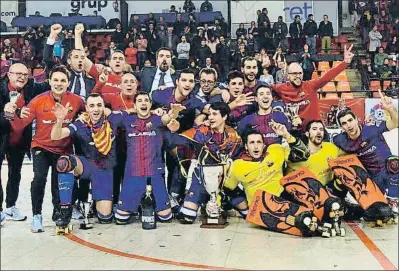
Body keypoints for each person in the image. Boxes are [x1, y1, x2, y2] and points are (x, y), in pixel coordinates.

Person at [4, 65, 84, 232]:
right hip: (41, 146)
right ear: (50, 81)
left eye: (63, 80)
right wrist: (11, 114)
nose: (59, 83)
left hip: (64, 149)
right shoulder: (38, 101)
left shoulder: (77, 101)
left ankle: (58, 213)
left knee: (59, 183)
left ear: (68, 83)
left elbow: (87, 115)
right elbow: (19, 127)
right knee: (39, 178)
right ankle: (37, 216)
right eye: (55, 80)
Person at [114, 92, 183, 224]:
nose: (143, 103)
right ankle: (140, 203)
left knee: (166, 217)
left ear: (150, 105)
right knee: (120, 218)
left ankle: (151, 203)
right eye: (140, 101)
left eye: (146, 100)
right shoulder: (127, 120)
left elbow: (168, 118)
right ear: (135, 105)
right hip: (133, 173)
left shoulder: (157, 120)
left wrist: (174, 112)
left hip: (154, 173)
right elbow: (109, 116)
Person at [173, 102, 242, 224]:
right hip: (201, 178)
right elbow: (179, 143)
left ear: (225, 117)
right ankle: (195, 202)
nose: (210, 117)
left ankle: (222, 202)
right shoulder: (201, 131)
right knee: (186, 217)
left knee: (247, 211)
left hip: (224, 180)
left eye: (215, 114)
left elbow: (237, 157)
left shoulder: (233, 135)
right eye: (209, 114)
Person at [334, 91, 398, 217]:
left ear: (356, 120)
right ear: (342, 128)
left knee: (395, 162)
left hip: (388, 171)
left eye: (350, 120)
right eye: (344, 123)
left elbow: (395, 123)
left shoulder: (371, 129)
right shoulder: (339, 140)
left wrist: (390, 109)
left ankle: (394, 200)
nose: (349, 125)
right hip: (370, 180)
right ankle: (341, 204)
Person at [0, 63, 49, 223]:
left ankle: (11, 206)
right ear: (9, 75)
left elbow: (50, 80)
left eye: (24, 74)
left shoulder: (31, 87)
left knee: (15, 173)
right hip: (2, 136)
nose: (21, 77)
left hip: (20, 139)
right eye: (17, 74)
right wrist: (9, 114)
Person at [270, 44, 355, 130]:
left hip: (314, 131)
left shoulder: (310, 86)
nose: (298, 76)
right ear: (288, 76)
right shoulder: (281, 88)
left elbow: (327, 77)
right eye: (294, 73)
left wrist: (345, 63)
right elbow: (262, 88)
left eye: (300, 73)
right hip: (294, 131)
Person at [44, 24, 95, 100]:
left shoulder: (91, 81)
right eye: (76, 57)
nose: (80, 60)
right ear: (69, 61)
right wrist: (52, 35)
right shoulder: (63, 76)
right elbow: (47, 58)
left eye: (82, 57)